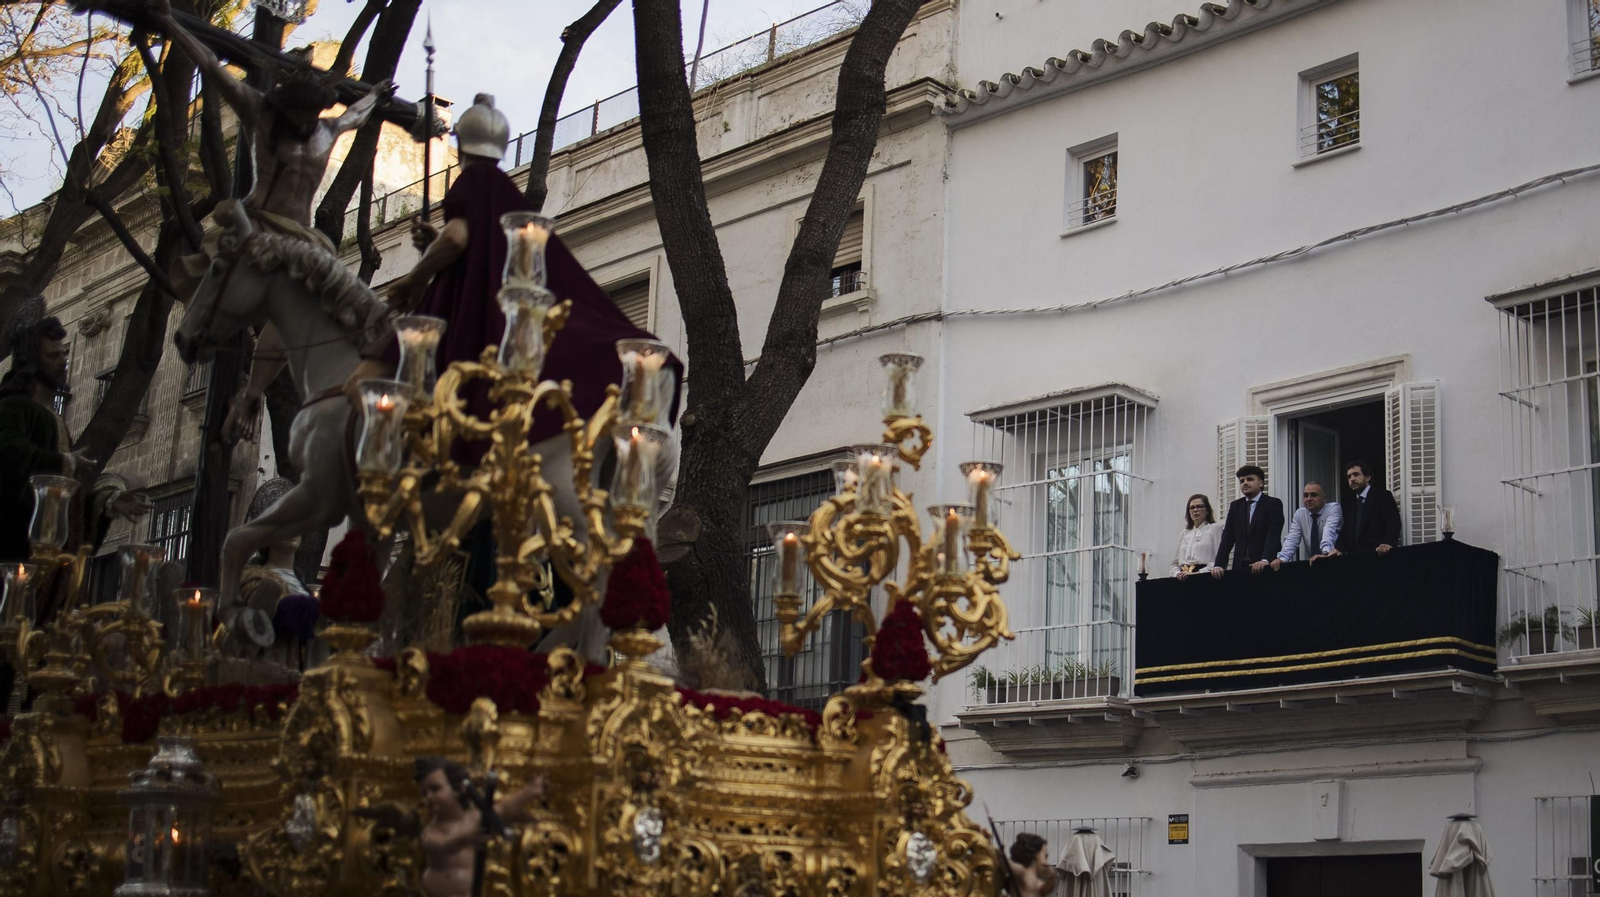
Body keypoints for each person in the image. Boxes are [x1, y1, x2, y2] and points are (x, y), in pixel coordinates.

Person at [346, 94, 682, 453]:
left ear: (463, 146)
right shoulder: (505, 189)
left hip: (465, 311)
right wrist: (435, 242)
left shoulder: (473, 180)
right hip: (484, 297)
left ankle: (389, 455)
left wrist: (415, 278)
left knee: (366, 383)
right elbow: (478, 243)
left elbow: (459, 238)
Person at [154, 0, 395, 427]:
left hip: (302, 237)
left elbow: (355, 116)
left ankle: (251, 393)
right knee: (221, 283)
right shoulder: (259, 113)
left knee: (291, 319)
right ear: (285, 107)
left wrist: (375, 97)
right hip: (259, 223)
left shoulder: (326, 129)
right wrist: (171, 22)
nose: (304, 121)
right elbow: (211, 65)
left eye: (310, 115)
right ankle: (204, 337)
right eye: (297, 114)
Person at [0, 316, 149, 563]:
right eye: (52, 356)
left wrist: (106, 502)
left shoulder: (53, 419)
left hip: (44, 549)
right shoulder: (13, 408)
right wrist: (65, 462)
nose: (62, 362)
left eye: (62, 355)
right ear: (31, 363)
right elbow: (9, 454)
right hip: (15, 545)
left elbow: (61, 499)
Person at [415, 756, 546, 897]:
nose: (428, 797)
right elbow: (440, 846)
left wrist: (530, 791)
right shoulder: (431, 829)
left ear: (457, 788)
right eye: (424, 793)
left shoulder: (475, 818)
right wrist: (465, 837)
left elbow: (505, 808)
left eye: (435, 789)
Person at [1211, 464, 1285, 577]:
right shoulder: (1235, 506)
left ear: (1261, 483)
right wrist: (1219, 565)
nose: (1245, 483)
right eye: (1242, 481)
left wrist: (1266, 560)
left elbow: (1273, 534)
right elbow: (1227, 537)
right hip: (1240, 566)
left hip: (1265, 567)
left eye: (1250, 479)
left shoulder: (1273, 504)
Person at [1331, 459, 1401, 555]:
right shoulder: (1350, 506)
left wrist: (1388, 543)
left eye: (1356, 474)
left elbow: (1393, 521)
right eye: (1349, 476)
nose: (1352, 479)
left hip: (1379, 557)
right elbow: (1345, 532)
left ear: (1367, 477)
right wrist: (1337, 549)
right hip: (1357, 561)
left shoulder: (1382, 496)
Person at [1271, 481, 1343, 570]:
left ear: (1324, 498)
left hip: (1335, 562)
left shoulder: (1333, 508)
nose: (1309, 499)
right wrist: (1282, 558)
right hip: (1313, 564)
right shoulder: (1300, 514)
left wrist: (1325, 553)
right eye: (1306, 495)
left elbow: (1329, 532)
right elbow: (1292, 539)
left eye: (1313, 495)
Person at [1170, 493, 1223, 580]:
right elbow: (1174, 564)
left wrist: (1199, 573)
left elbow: (1220, 559)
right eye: (1192, 508)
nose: (1195, 510)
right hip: (1183, 578)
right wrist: (1177, 573)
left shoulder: (1215, 528)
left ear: (1207, 510)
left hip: (1205, 577)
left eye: (1199, 506)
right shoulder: (1184, 533)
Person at [1006, 832, 1059, 897]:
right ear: (1037, 855)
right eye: (1045, 856)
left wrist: (1051, 877)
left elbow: (1043, 890)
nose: (1046, 863)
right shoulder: (1021, 872)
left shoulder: (1038, 883)